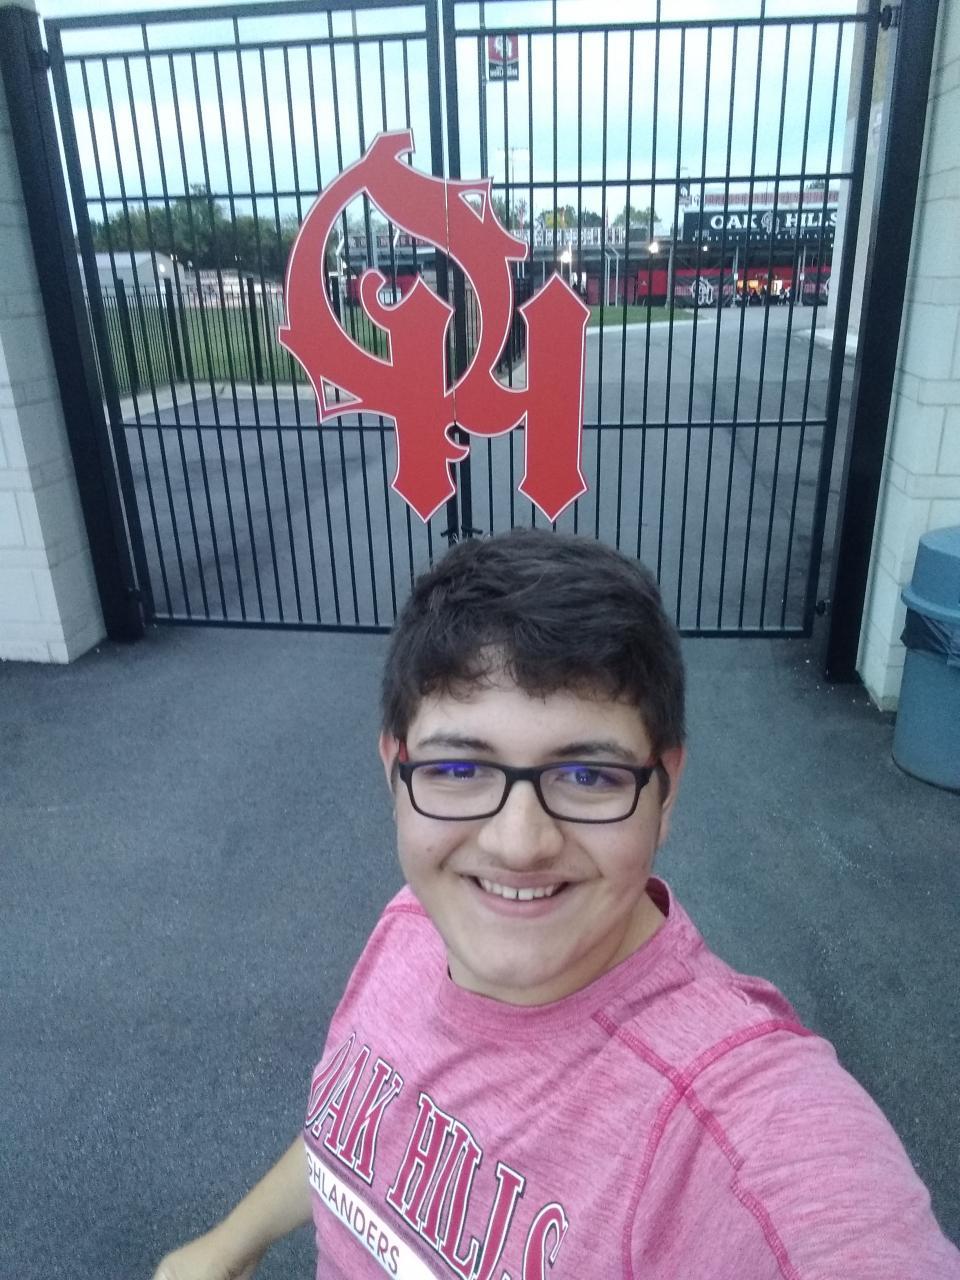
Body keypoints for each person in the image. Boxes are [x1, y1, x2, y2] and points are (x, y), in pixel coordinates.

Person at [153, 529, 960, 1280]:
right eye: (459, 770)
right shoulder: (420, 918)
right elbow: (365, 1132)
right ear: (396, 771)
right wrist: (229, 1243)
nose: (517, 844)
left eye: (585, 776)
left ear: (666, 790)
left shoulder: (736, 1132)